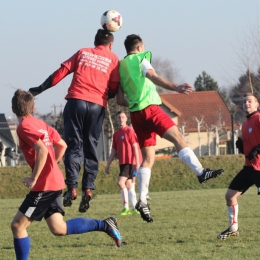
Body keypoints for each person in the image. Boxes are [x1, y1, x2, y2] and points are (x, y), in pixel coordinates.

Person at [117, 34, 224, 223]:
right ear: (140, 47)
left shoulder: (121, 67)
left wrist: (134, 103)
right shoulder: (142, 58)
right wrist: (176, 87)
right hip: (150, 109)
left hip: (136, 115)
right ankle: (200, 172)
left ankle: (142, 200)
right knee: (178, 138)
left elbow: (119, 100)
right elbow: (153, 76)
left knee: (148, 159)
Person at [11, 90, 122, 260]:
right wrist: (51, 167)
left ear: (13, 109)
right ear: (33, 108)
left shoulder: (23, 127)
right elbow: (62, 145)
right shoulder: (42, 124)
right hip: (54, 182)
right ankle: (105, 225)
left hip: (44, 187)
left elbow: (41, 150)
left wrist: (34, 178)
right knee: (59, 228)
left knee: (18, 226)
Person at [28, 29, 120, 213]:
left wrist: (39, 89)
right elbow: (113, 88)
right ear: (111, 45)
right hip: (96, 105)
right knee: (91, 146)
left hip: (76, 101)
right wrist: (103, 95)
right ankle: (88, 187)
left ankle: (72, 187)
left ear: (95, 42)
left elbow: (61, 72)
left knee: (74, 146)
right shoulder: (113, 58)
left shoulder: (83, 52)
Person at [217, 93, 260, 239]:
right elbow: (249, 146)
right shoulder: (245, 124)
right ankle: (233, 228)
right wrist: (242, 147)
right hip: (249, 167)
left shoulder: (259, 118)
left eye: (249, 101)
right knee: (230, 196)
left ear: (257, 104)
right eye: (244, 102)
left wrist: (257, 149)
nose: (246, 103)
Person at [105, 111, 140, 216]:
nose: (121, 119)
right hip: (122, 163)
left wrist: (137, 163)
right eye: (119, 117)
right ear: (116, 119)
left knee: (121, 183)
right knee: (129, 185)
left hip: (130, 162)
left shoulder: (129, 131)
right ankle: (135, 208)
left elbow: (135, 147)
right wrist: (108, 164)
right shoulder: (116, 134)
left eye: (122, 117)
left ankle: (126, 208)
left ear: (126, 119)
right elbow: (114, 151)